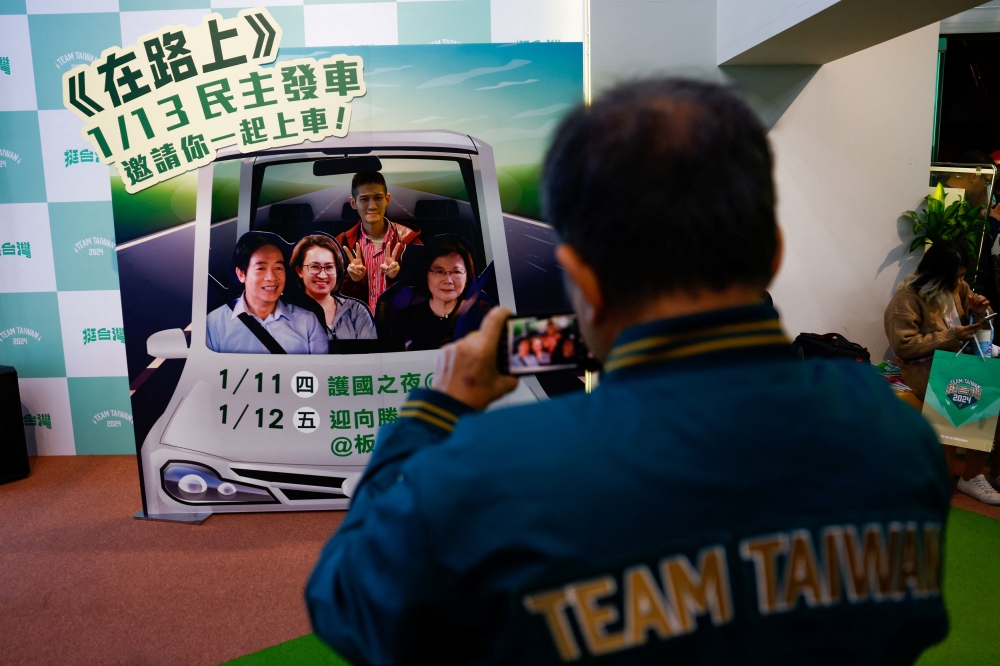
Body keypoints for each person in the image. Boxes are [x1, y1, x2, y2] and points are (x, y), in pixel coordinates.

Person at [307, 79, 950, 664]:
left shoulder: (487, 473)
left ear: (582, 280)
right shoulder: (895, 437)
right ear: (773, 255)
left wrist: (438, 408)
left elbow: (347, 600)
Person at [885, 240, 1000, 504]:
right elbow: (904, 345)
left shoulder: (959, 288)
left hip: (958, 363)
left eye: (962, 275)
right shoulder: (907, 298)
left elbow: (982, 331)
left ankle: (995, 472)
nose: (960, 282)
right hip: (924, 368)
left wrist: (980, 313)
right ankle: (970, 477)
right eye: (956, 276)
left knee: (991, 385)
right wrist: (951, 336)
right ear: (936, 274)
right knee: (981, 391)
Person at [206, 233, 327, 354]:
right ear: (241, 274)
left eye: (278, 268)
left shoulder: (308, 323)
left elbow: (321, 366)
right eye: (261, 268)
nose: (271, 277)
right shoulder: (215, 323)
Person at [336, 171, 422, 314]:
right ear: (353, 203)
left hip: (398, 324)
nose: (372, 206)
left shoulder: (410, 241)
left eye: (378, 198)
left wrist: (398, 278)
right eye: (364, 199)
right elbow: (332, 297)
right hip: (357, 324)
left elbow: (423, 292)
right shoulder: (342, 243)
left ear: (387, 199)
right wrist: (353, 281)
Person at [387, 235, 474, 351]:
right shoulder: (405, 319)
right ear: (425, 275)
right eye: (439, 271)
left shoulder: (480, 315)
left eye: (456, 271)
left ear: (467, 277)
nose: (448, 280)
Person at [289, 234, 376, 342]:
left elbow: (369, 351)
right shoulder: (286, 314)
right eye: (314, 266)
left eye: (329, 267)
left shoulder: (356, 310)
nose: (322, 275)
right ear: (299, 271)